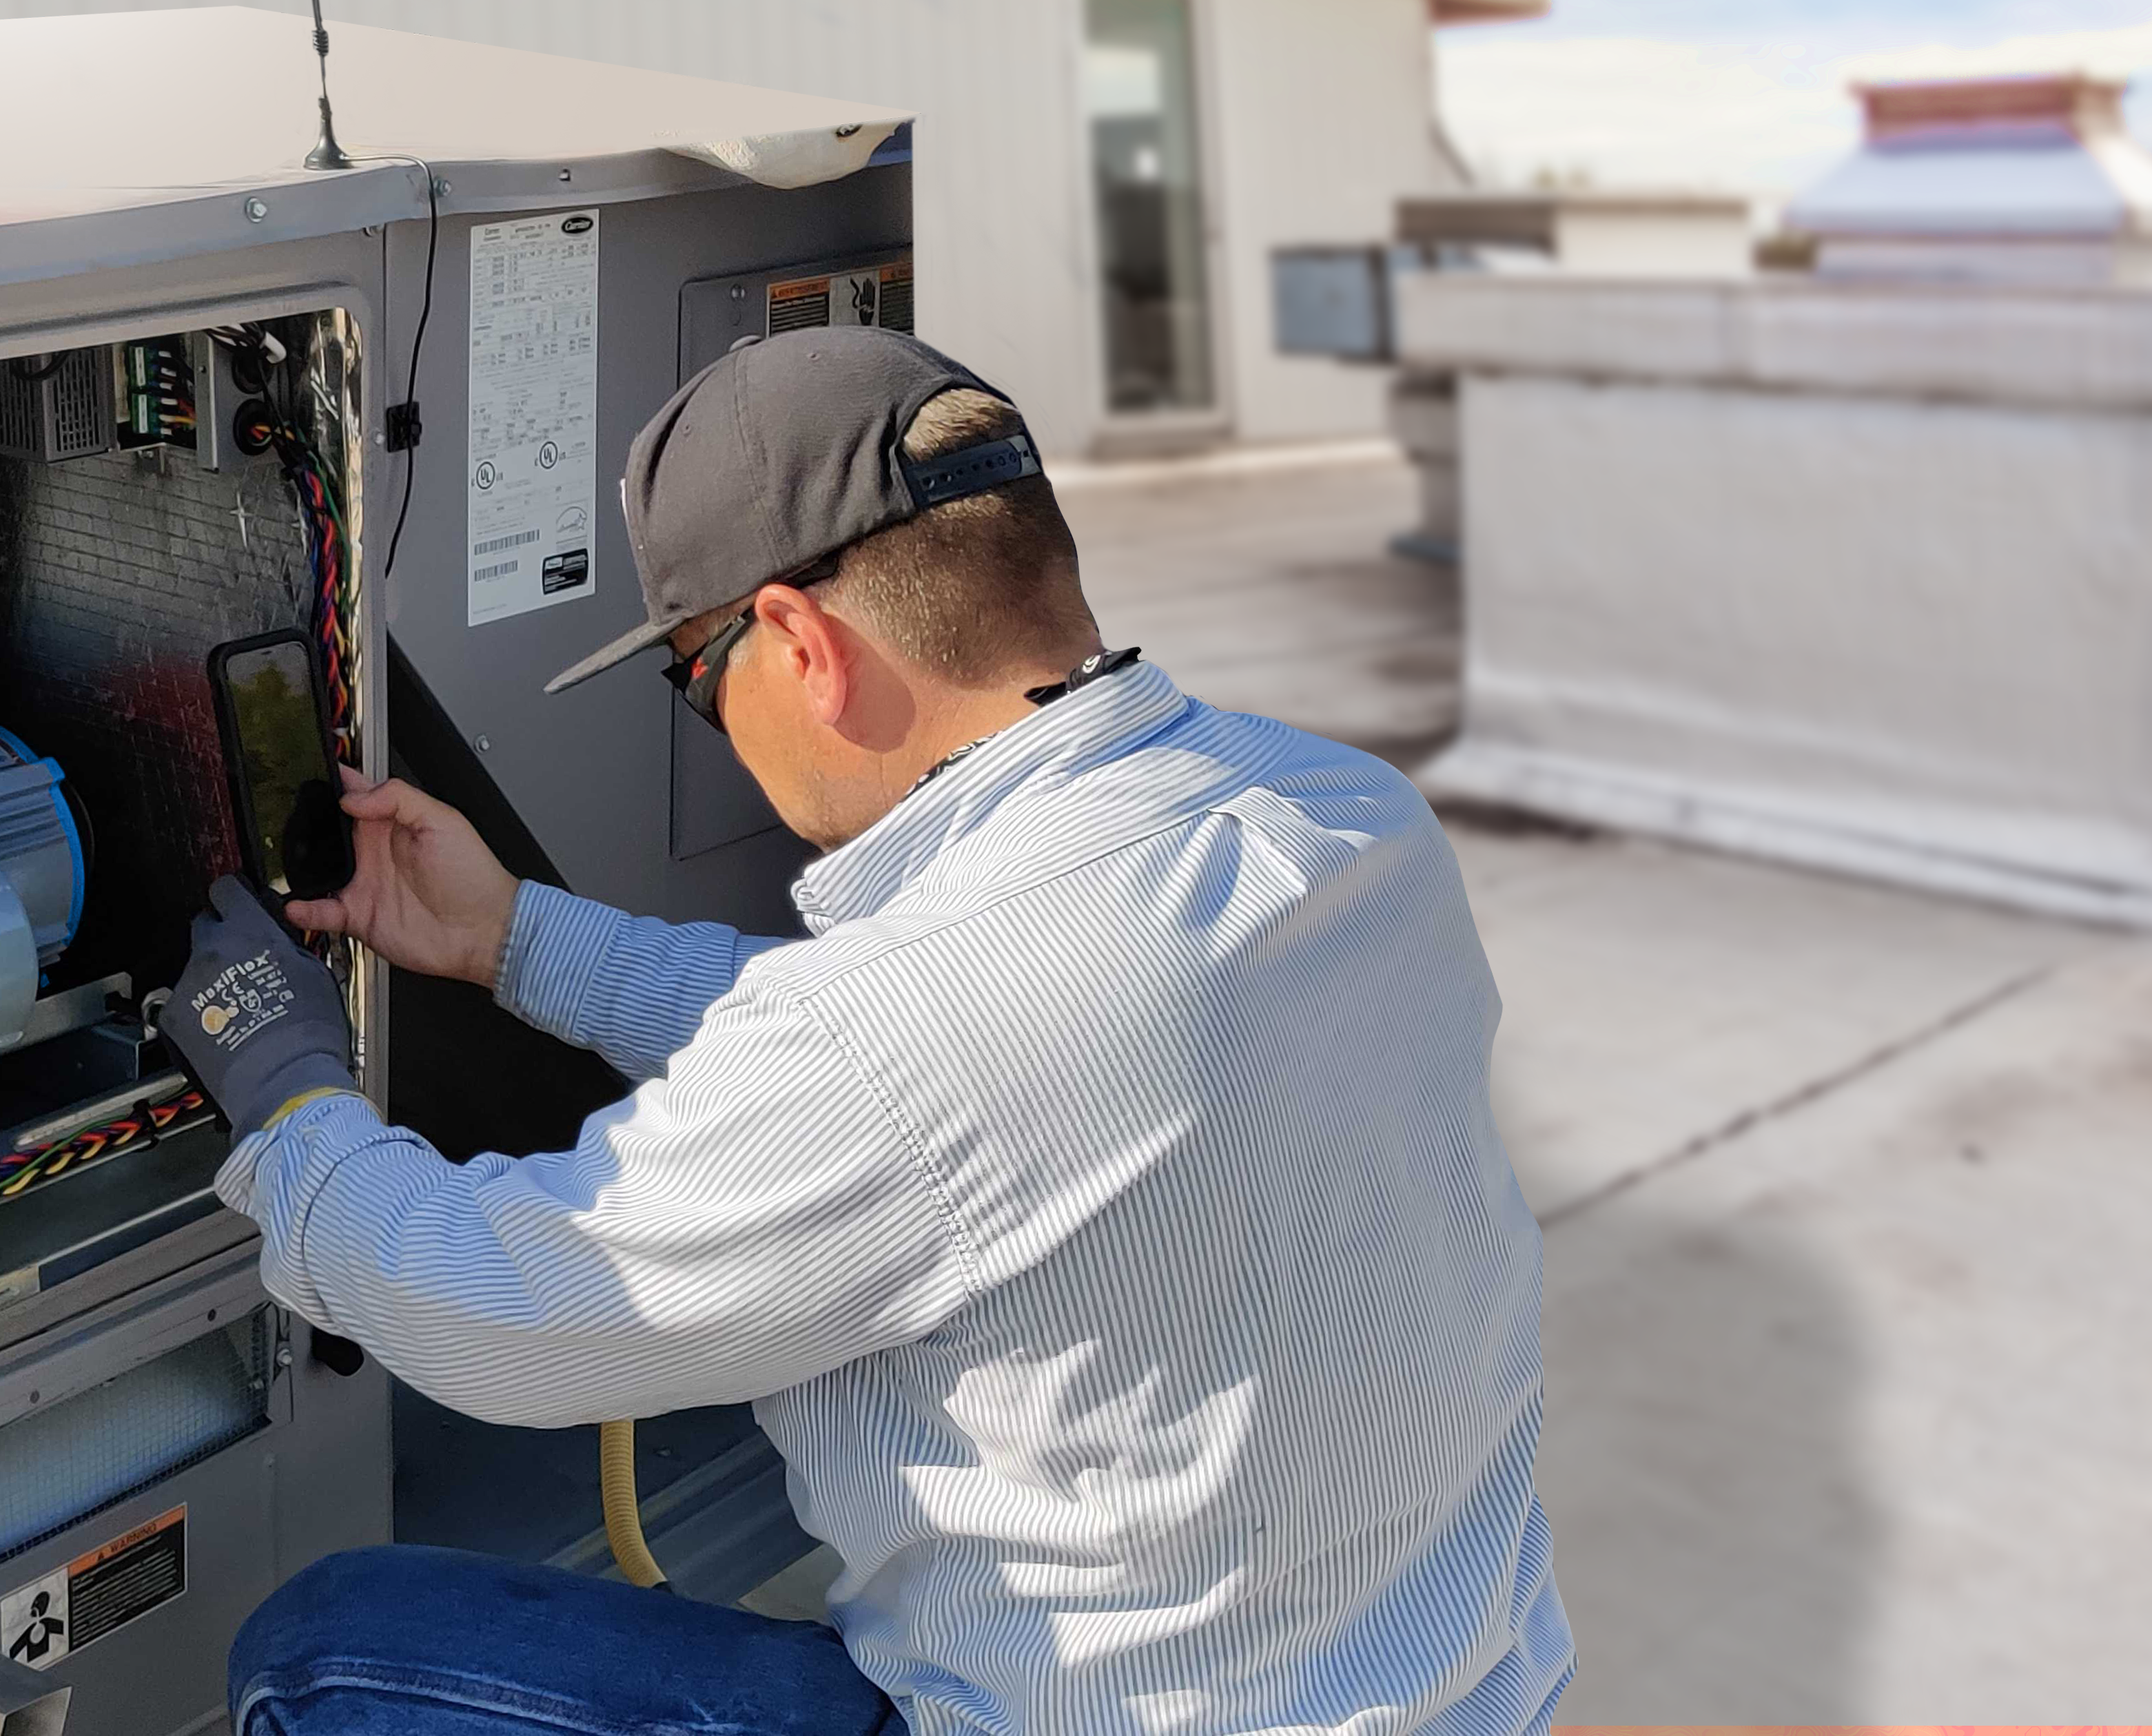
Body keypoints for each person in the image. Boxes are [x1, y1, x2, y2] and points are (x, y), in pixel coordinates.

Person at [150, 329, 1572, 1736]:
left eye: (690, 682)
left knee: (324, 1651)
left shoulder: (916, 1035)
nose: (717, 729)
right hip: (1462, 1694)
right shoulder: (1341, 816)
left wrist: (291, 1108)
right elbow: (989, 1081)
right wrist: (515, 939)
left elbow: (502, 1313)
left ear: (797, 643)